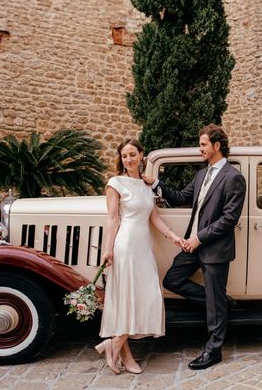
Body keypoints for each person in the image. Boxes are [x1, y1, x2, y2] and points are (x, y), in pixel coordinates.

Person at [143, 124, 246, 370]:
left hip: (214, 249)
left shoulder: (234, 177)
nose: (199, 149)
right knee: (172, 280)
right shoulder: (202, 175)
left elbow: (229, 219)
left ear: (216, 146)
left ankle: (213, 350)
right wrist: (155, 182)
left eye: (202, 145)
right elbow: (180, 197)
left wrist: (198, 238)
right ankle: (221, 301)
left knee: (214, 300)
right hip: (193, 246)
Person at [95, 138, 184, 374]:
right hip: (125, 246)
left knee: (149, 298)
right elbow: (113, 218)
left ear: (141, 155)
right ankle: (124, 353)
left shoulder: (146, 186)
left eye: (132, 154)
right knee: (126, 300)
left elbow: (153, 217)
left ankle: (112, 344)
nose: (128, 159)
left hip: (143, 248)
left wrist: (173, 236)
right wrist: (108, 249)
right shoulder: (115, 183)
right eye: (124, 156)